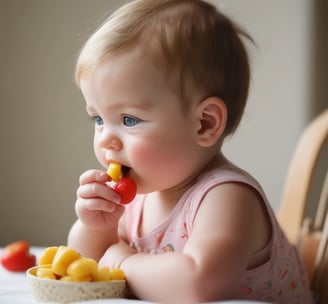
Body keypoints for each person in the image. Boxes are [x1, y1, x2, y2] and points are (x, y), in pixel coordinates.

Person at [68, 0, 312, 302]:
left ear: (205, 124)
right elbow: (86, 270)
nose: (106, 139)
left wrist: (123, 262)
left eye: (129, 120)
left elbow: (200, 284)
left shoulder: (227, 197)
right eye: (99, 119)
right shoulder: (140, 196)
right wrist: (94, 227)